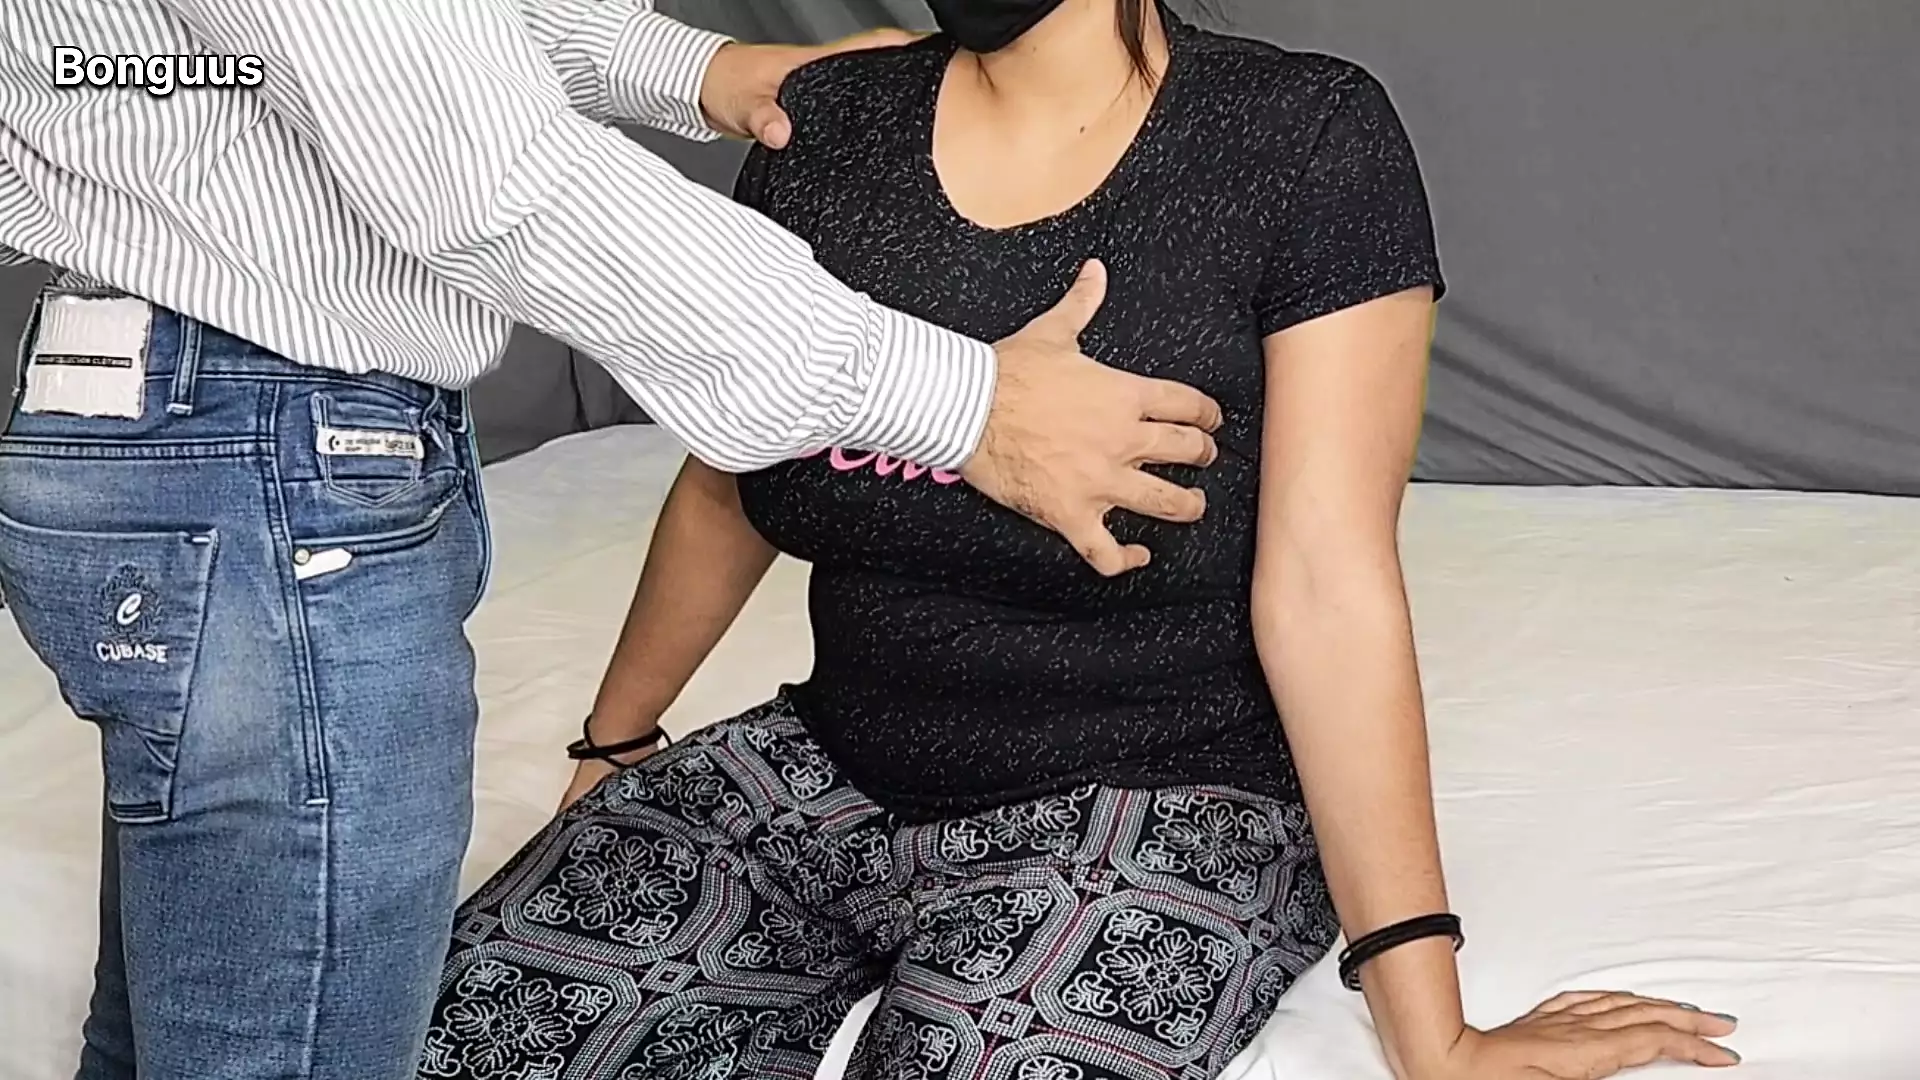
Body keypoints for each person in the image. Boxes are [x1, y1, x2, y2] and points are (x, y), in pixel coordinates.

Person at [421, 2, 1744, 1079]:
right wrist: (614, 743)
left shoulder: (1300, 133)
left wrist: (1432, 1027)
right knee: (450, 1034)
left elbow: (1329, 583)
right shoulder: (827, 121)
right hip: (831, 762)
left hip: (1164, 801)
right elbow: (734, 474)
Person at [0, 3, 1225, 1080]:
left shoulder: (1279, 124)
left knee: (182, 1028)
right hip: (264, 451)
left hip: (187, 431)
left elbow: (392, 34)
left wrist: (695, 69)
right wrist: (961, 400)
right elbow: (474, 163)